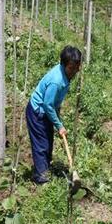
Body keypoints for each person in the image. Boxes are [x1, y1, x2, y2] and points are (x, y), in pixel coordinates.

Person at [26, 45, 82, 184]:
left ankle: (43, 169)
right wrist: (59, 124)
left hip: (47, 112)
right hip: (37, 112)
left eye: (76, 68)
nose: (74, 71)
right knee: (41, 145)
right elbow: (48, 104)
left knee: (48, 142)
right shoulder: (56, 81)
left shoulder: (66, 75)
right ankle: (41, 178)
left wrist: (58, 121)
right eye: (71, 68)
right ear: (63, 65)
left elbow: (54, 104)